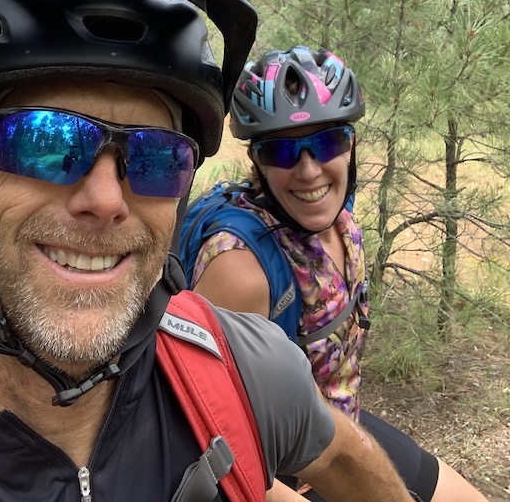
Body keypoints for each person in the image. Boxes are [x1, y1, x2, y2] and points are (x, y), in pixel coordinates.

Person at [0, 0, 416, 502]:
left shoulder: (246, 371)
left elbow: (343, 455)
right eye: (42, 142)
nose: (106, 200)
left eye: (157, 157)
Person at [183, 45, 489, 502]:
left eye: (327, 143)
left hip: (345, 427)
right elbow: (213, 434)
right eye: (282, 151)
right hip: (281, 470)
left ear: (351, 145)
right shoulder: (241, 269)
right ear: (257, 162)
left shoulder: (337, 219)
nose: (309, 171)